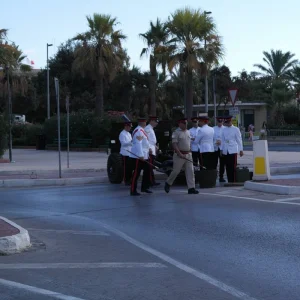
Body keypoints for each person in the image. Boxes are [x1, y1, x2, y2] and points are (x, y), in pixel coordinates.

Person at [164, 118, 199, 194]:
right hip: (179, 155)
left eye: (186, 123)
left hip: (188, 154)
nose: (186, 124)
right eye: (184, 123)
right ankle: (168, 183)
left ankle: (191, 188)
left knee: (190, 171)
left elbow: (189, 143)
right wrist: (179, 153)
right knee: (176, 171)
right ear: (180, 124)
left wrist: (190, 152)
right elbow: (174, 144)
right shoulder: (176, 132)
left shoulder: (188, 132)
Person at [129, 117, 152, 196]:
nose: (146, 124)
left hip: (145, 155)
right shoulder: (139, 131)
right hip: (138, 156)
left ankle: (144, 187)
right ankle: (133, 190)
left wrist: (149, 149)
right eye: (145, 122)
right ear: (142, 123)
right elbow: (138, 144)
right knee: (136, 173)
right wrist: (141, 155)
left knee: (147, 170)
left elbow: (145, 142)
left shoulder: (142, 130)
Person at [221, 116, 244, 183]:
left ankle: (233, 180)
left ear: (231, 121)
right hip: (226, 150)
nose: (227, 123)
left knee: (233, 166)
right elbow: (222, 140)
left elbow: (239, 140)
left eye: (228, 122)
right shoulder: (224, 129)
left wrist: (241, 150)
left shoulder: (236, 129)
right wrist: (222, 149)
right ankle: (229, 180)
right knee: (227, 166)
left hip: (233, 149)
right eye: (226, 122)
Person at [145, 116, 160, 187]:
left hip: (152, 148)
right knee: (150, 167)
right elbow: (146, 140)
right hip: (149, 150)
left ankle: (152, 180)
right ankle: (150, 181)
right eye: (155, 122)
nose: (156, 123)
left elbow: (152, 140)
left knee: (151, 167)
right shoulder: (147, 129)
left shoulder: (151, 128)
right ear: (151, 121)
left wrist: (155, 146)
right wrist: (149, 148)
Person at [119, 121, 133, 185]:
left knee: (130, 168)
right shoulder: (122, 134)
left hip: (130, 153)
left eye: (130, 127)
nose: (130, 128)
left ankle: (129, 179)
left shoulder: (129, 134)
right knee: (125, 168)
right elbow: (123, 144)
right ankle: (125, 180)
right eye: (129, 127)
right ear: (126, 126)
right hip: (125, 153)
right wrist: (131, 142)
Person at [213, 116, 226, 182]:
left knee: (222, 163)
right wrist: (215, 142)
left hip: (222, 148)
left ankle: (221, 176)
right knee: (214, 163)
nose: (220, 123)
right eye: (218, 121)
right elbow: (211, 138)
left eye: (221, 121)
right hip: (215, 148)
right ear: (217, 121)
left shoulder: (225, 129)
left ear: (223, 121)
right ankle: (214, 176)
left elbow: (226, 139)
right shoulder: (213, 129)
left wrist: (221, 142)